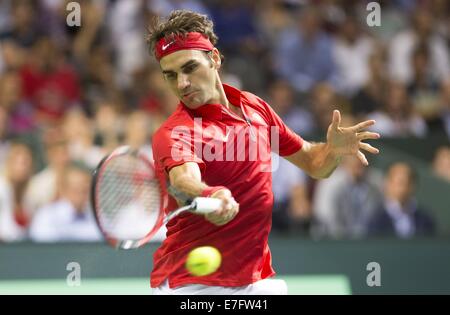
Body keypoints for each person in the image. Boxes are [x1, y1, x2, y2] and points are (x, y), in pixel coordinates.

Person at [147, 10, 380, 295]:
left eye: (189, 68)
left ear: (215, 59)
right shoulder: (174, 132)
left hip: (255, 280)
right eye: (170, 75)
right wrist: (212, 195)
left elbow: (314, 163)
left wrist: (332, 150)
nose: (181, 83)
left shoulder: (255, 109)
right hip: (192, 285)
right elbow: (183, 180)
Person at [367, 162, 435, 238]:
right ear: (387, 184)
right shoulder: (375, 219)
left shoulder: (424, 219)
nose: (403, 188)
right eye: (400, 182)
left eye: (408, 182)